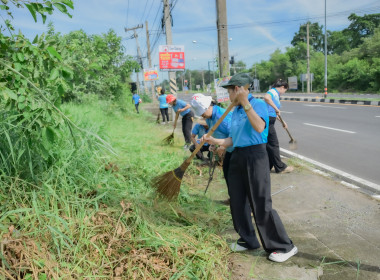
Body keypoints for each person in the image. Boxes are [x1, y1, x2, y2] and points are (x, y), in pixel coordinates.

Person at [202, 73, 297, 263]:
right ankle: (248, 240)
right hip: (237, 155)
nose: (227, 97)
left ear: (238, 90)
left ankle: (284, 246)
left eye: (229, 92)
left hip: (255, 156)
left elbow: (260, 126)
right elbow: (233, 139)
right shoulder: (235, 111)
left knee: (260, 203)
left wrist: (246, 103)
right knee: (237, 201)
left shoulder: (258, 105)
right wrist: (215, 141)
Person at [191, 93, 233, 202]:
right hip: (228, 150)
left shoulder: (222, 116)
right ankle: (233, 197)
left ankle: (243, 202)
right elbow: (214, 132)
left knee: (237, 177)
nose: (202, 117)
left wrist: (222, 146)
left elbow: (234, 134)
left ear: (209, 106)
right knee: (227, 173)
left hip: (237, 149)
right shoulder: (209, 117)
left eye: (203, 113)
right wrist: (213, 144)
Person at [264, 79, 294, 173]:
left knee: (269, 145)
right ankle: (280, 168)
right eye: (285, 90)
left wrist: (283, 122)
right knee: (274, 144)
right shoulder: (273, 91)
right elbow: (266, 98)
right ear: (282, 87)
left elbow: (274, 112)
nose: (284, 92)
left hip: (270, 120)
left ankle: (267, 166)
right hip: (267, 121)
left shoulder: (276, 94)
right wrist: (276, 108)